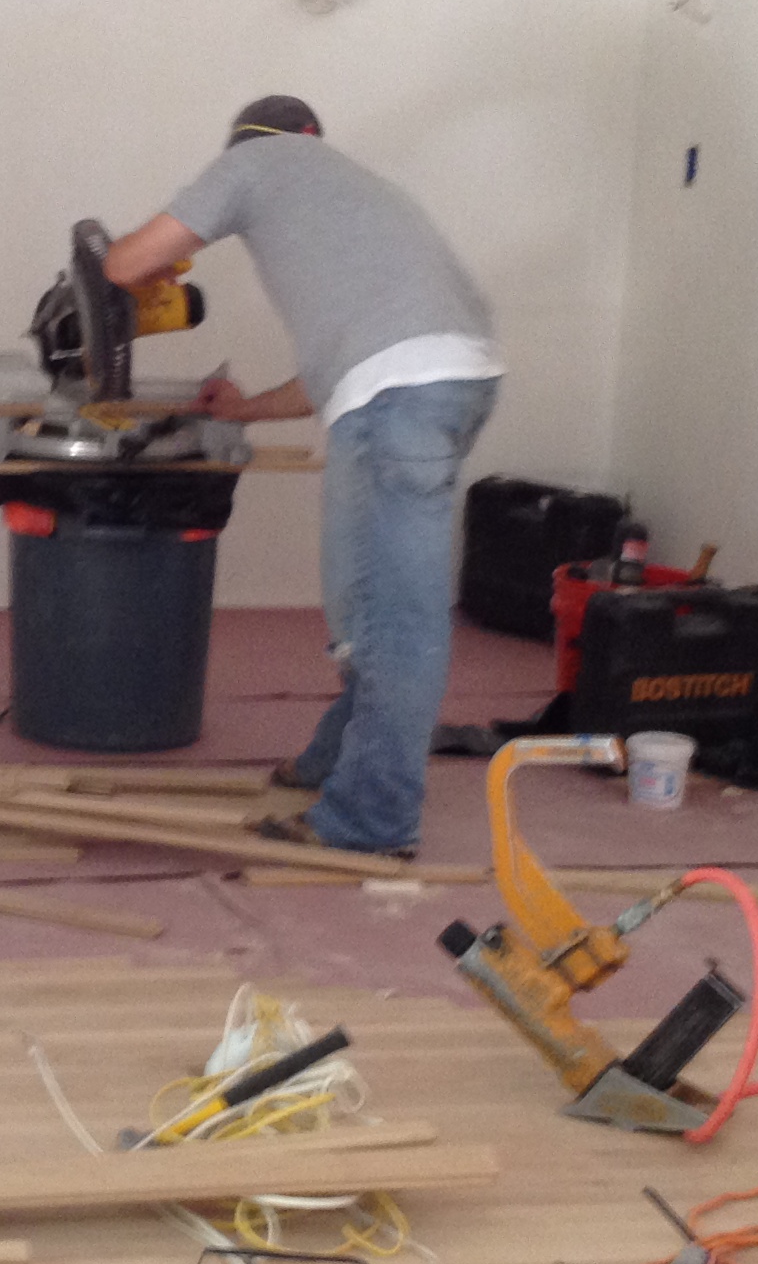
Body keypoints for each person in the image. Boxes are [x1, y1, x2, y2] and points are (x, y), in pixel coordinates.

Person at [101, 96, 500, 857]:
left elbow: (126, 262)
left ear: (244, 143)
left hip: (401, 396)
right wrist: (245, 410)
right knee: (359, 599)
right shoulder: (360, 191)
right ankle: (331, 763)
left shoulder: (253, 161)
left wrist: (118, 271)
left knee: (397, 619)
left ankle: (371, 824)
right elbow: (337, 375)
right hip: (449, 383)